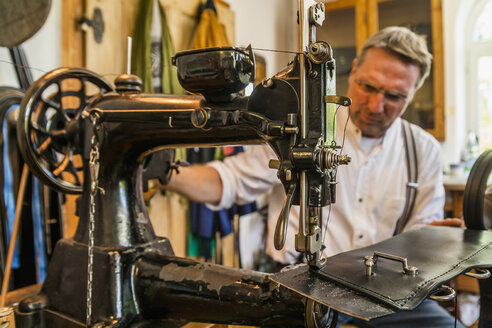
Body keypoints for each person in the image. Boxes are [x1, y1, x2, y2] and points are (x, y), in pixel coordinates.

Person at [166, 26, 463, 327]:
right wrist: (164, 173)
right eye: (368, 87)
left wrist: (435, 241)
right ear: (354, 69)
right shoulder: (304, 128)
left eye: (395, 96)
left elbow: (421, 234)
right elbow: (226, 181)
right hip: (302, 287)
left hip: (388, 300)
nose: (376, 106)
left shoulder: (422, 150)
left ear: (413, 94)